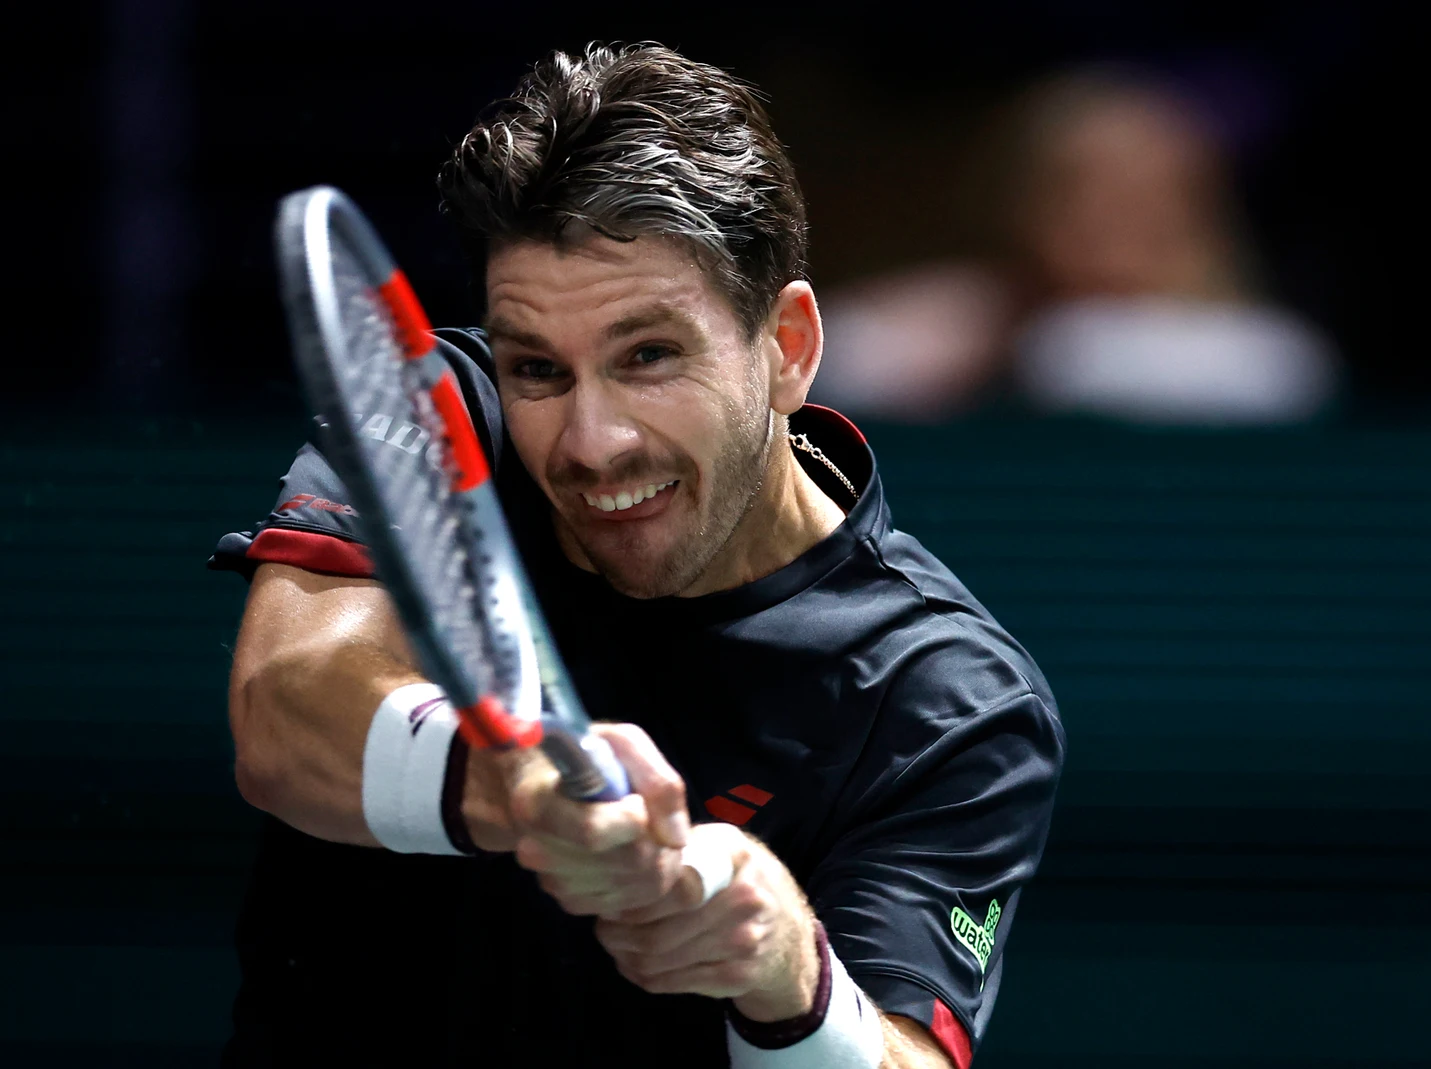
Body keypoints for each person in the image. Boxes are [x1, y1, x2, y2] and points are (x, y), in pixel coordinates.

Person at [210, 43, 1063, 1068]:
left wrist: (785, 970)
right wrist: (521, 787)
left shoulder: (949, 698)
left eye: (649, 355)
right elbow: (284, 707)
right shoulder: (432, 412)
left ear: (786, 347)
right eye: (538, 367)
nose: (590, 442)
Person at [815, 66, 1338, 424]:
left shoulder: (1263, 354)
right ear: (1018, 201)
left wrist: (1019, 352)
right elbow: (815, 370)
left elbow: (1079, 363)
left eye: (1145, 193)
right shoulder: (967, 314)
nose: (1111, 218)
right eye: (1079, 189)